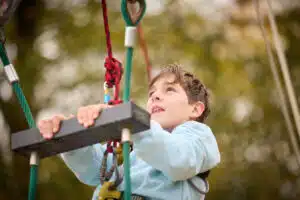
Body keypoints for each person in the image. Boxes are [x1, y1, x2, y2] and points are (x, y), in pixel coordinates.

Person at [38, 64, 221, 200]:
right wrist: (71, 138)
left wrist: (135, 124)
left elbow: (179, 160)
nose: (155, 96)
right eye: (151, 94)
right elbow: (95, 171)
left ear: (196, 109)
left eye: (170, 90)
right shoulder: (134, 147)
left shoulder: (198, 136)